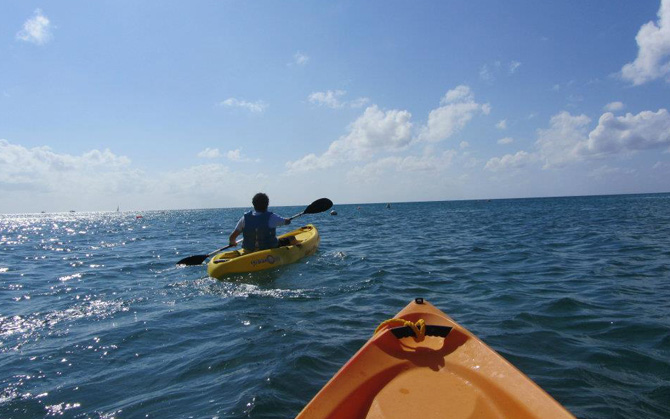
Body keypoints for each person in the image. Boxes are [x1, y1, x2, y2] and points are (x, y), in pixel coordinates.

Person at [229, 193, 294, 251]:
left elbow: (232, 237)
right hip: (268, 249)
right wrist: (288, 220)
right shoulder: (271, 217)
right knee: (291, 238)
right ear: (267, 204)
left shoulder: (245, 218)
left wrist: (233, 242)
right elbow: (286, 222)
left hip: (248, 249)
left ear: (253, 204)